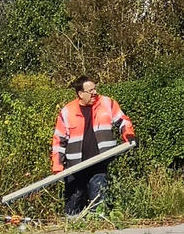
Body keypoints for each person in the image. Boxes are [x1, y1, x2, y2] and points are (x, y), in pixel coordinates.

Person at [51, 75, 136, 216]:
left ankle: (97, 223)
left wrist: (128, 134)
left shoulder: (107, 103)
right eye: (90, 91)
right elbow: (59, 140)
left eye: (95, 89)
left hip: (99, 162)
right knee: (74, 201)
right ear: (80, 93)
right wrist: (57, 166)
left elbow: (123, 120)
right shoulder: (67, 111)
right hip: (75, 166)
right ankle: (72, 224)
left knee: (98, 199)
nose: (94, 93)